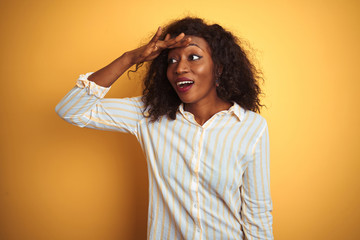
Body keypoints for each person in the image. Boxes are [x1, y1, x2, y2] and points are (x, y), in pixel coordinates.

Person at [56, 17, 273, 240]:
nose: (180, 68)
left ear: (218, 68)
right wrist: (131, 58)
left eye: (194, 57)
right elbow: (71, 109)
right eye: (171, 61)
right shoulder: (149, 115)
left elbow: (257, 212)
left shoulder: (250, 127)